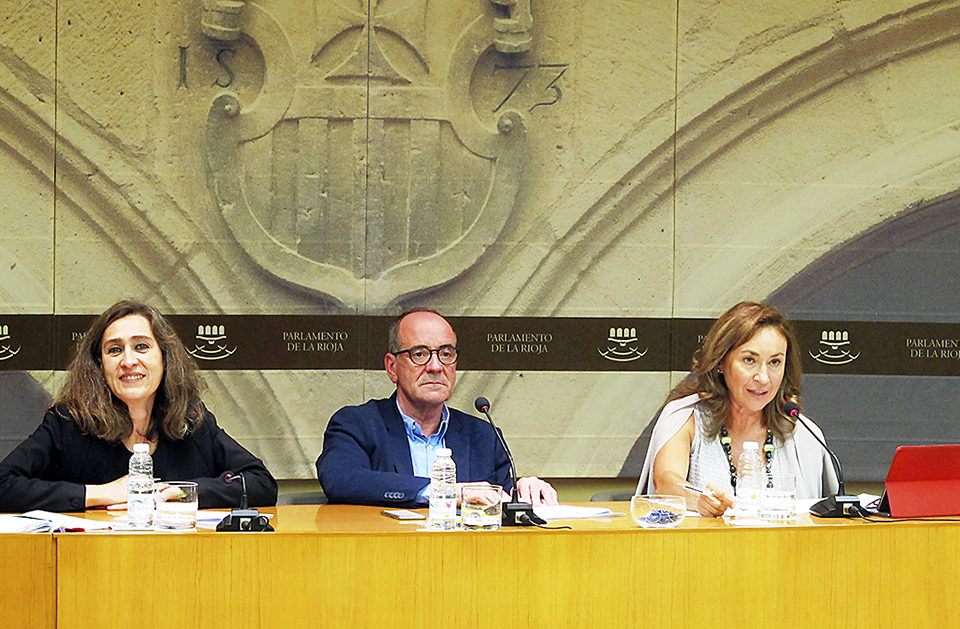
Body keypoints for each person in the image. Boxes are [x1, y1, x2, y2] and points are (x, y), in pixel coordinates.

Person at [0, 300, 277, 512]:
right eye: (114, 350)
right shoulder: (69, 422)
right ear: (99, 365)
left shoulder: (191, 420)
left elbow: (260, 483)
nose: (128, 361)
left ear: (165, 358)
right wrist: (100, 494)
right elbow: (4, 484)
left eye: (141, 346)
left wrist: (183, 492)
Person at [316, 309, 558, 507]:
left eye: (446, 354)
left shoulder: (484, 436)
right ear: (392, 367)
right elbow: (341, 479)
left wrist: (524, 492)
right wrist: (443, 492)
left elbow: (499, 501)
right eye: (419, 354)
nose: (435, 366)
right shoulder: (356, 424)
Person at [636, 301, 838, 516]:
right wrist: (700, 500)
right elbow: (666, 482)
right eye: (749, 360)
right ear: (720, 362)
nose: (763, 378)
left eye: (775, 362)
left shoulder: (804, 434)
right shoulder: (685, 418)